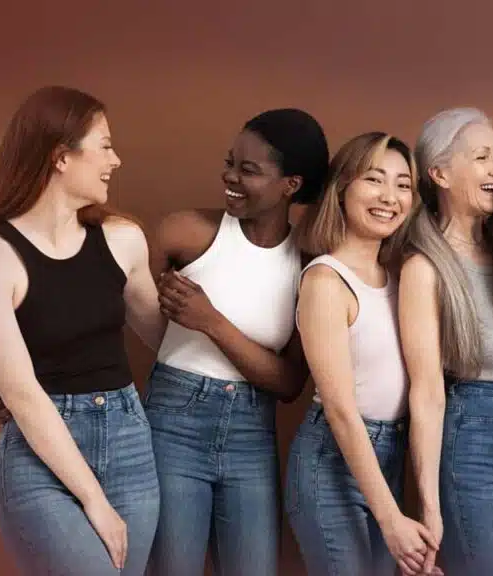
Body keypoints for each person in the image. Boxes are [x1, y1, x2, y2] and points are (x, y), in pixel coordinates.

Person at [0, 86, 162, 575]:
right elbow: (23, 395)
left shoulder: (123, 240)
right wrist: (93, 498)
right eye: (105, 145)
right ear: (61, 157)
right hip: (41, 453)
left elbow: (167, 340)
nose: (116, 159)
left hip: (131, 440)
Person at [144, 108, 330, 576]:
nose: (230, 177)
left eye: (249, 170)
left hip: (252, 438)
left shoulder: (310, 266)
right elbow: (108, 308)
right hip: (174, 427)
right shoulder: (185, 233)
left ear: (291, 185)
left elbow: (289, 383)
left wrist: (211, 322)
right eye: (231, 163)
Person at [399, 108, 493, 576]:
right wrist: (429, 507)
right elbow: (426, 392)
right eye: (482, 157)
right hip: (472, 441)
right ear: (440, 173)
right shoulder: (424, 268)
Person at [285, 132, 438, 576]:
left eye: (403, 184)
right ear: (343, 188)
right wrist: (390, 519)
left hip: (387, 454)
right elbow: (340, 410)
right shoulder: (326, 280)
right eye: (374, 180)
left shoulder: (399, 277)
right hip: (331, 460)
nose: (390, 197)